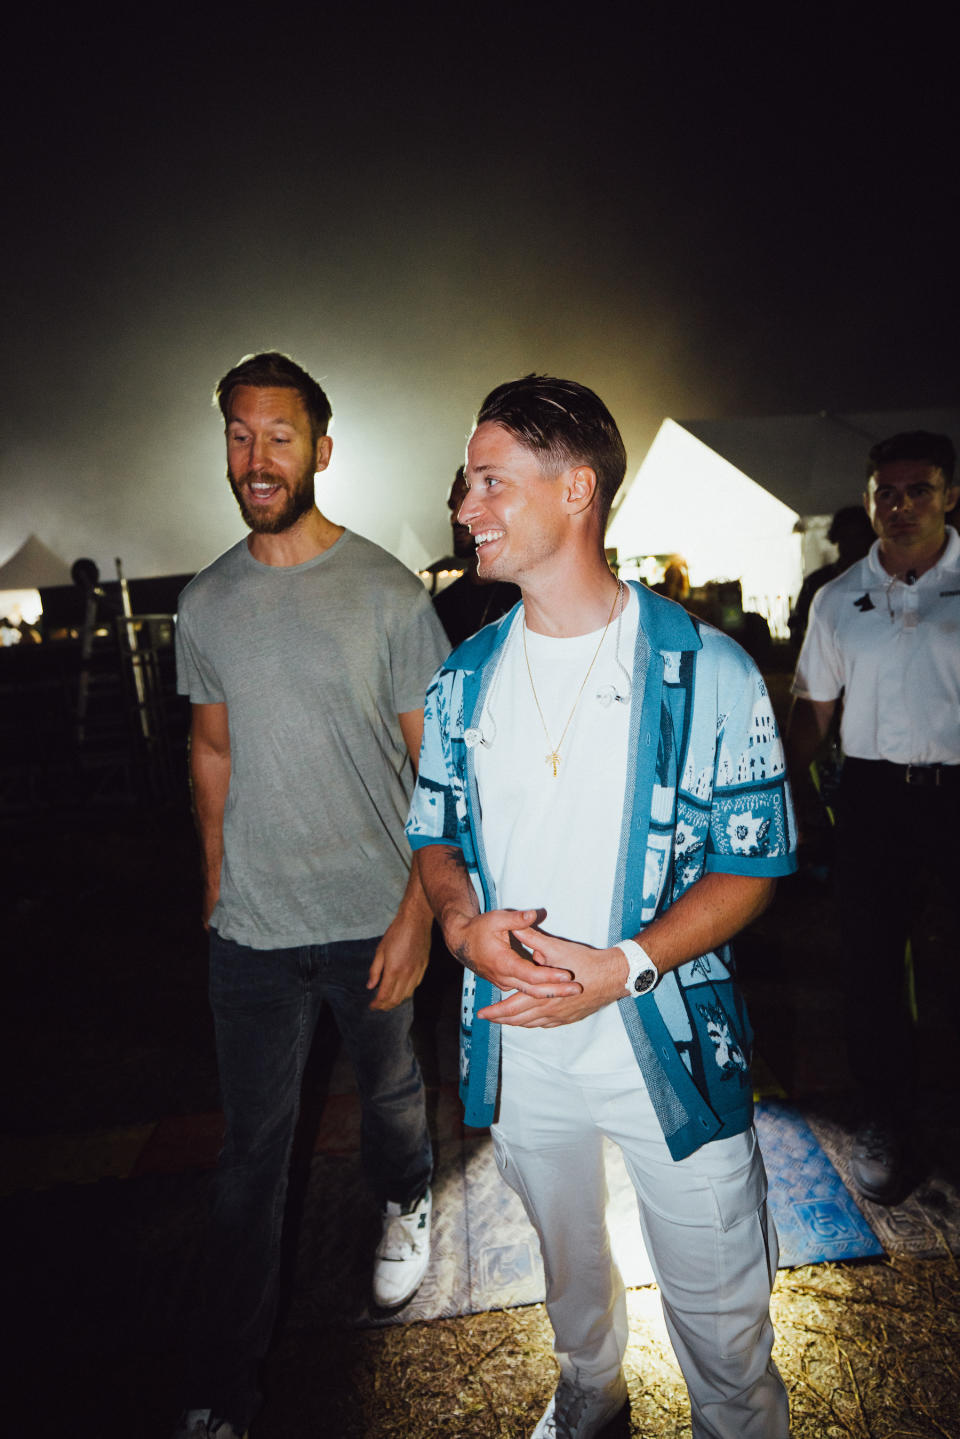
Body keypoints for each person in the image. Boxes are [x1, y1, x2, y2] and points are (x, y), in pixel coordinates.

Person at [406, 375, 796, 1439]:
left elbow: (753, 863)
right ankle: (592, 1388)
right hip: (520, 1041)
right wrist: (456, 922)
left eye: (492, 481)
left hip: (663, 1034)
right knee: (569, 1270)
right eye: (465, 483)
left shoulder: (704, 667)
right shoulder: (463, 680)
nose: (466, 506)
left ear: (577, 488)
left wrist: (623, 963)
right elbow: (434, 832)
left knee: (721, 1310)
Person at [172, 352, 448, 1439]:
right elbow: (211, 750)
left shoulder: (386, 594)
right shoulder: (207, 601)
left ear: (322, 449)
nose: (256, 457)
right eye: (239, 434)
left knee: (390, 1099)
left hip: (372, 917)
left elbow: (441, 776)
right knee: (248, 1162)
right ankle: (221, 1394)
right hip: (252, 933)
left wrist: (421, 910)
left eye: (279, 435)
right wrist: (212, 886)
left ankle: (406, 1192)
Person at [787, 430, 960, 1205]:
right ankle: (885, 1116)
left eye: (918, 489)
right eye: (885, 492)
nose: (899, 505)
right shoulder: (837, 598)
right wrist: (782, 786)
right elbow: (814, 708)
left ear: (951, 495)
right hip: (873, 795)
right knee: (870, 967)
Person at [432, 465, 520, 646]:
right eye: (452, 507)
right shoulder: (441, 606)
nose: (455, 518)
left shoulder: (525, 599)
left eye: (465, 503)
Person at [787, 505, 875, 649]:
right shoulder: (817, 582)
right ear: (836, 539)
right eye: (846, 538)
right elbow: (799, 624)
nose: (853, 545)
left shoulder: (884, 581)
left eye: (858, 537)